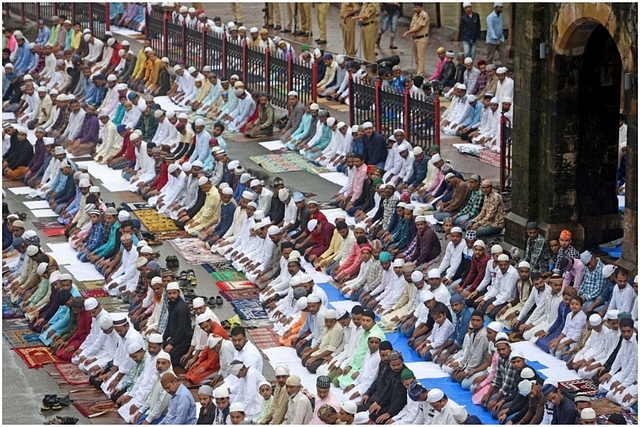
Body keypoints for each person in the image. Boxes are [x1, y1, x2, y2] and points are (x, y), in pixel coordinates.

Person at [402, 3, 430, 77]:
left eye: (416, 7)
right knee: (416, 57)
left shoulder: (424, 15)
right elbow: (412, 26)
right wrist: (411, 31)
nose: (414, 9)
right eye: (414, 7)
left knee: (420, 57)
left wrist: (407, 32)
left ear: (421, 7)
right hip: (415, 38)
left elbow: (419, 27)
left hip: (422, 38)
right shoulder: (415, 15)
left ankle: (420, 74)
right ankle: (418, 71)